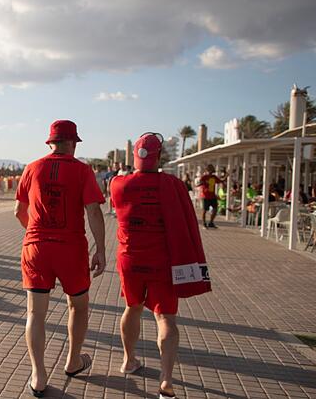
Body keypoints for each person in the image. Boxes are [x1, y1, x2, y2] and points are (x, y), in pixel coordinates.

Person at [111, 133, 211, 399]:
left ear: (135, 155)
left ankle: (128, 360)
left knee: (132, 307)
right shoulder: (174, 185)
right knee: (165, 317)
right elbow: (186, 222)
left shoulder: (117, 184)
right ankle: (166, 381)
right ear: (160, 157)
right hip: (163, 262)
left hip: (130, 259)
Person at [14, 120, 106, 397]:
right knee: (78, 306)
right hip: (71, 248)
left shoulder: (32, 168)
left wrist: (35, 233)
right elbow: (93, 211)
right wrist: (100, 248)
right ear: (73, 143)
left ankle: (38, 376)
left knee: (35, 313)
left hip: (36, 247)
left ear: (50, 142)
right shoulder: (82, 170)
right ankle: (73, 361)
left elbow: (19, 210)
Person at [197, 165, 227, 229]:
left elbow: (221, 180)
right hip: (205, 196)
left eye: (211, 171)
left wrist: (226, 175)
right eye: (209, 170)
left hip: (212, 196)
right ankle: (204, 223)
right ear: (206, 170)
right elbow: (199, 183)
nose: (210, 172)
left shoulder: (214, 177)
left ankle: (211, 222)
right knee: (205, 210)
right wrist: (200, 184)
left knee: (215, 209)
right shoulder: (204, 177)